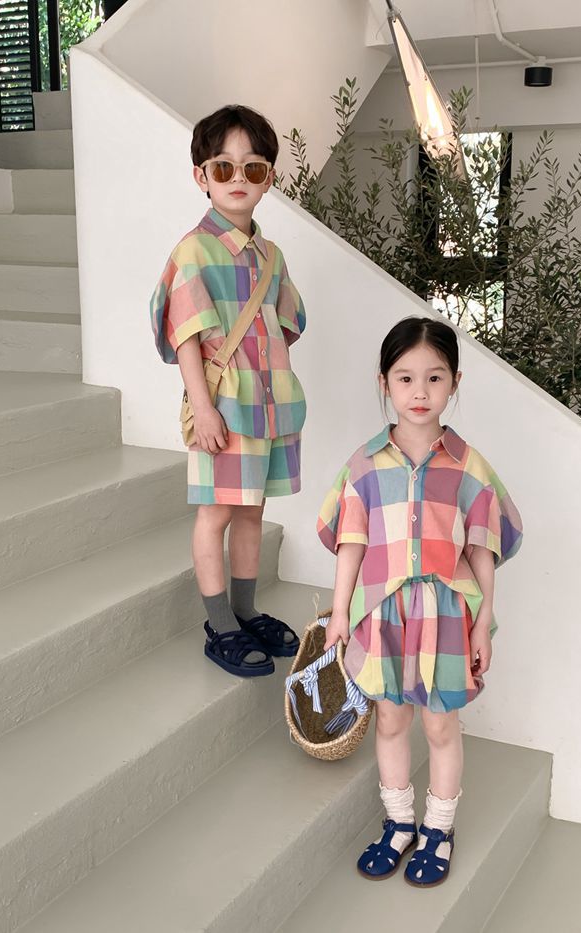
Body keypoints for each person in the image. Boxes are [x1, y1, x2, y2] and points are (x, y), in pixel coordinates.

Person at [317, 316, 522, 886]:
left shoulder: (469, 466)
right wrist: (340, 613)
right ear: (384, 382)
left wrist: (483, 621)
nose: (420, 392)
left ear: (454, 382)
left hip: (446, 617)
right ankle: (399, 823)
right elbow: (351, 543)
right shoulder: (363, 464)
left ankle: (439, 829)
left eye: (435, 378)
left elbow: (482, 548)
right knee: (389, 720)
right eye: (405, 378)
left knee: (440, 726)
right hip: (382, 615)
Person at [151, 105, 306, 678]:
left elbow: (284, 328)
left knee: (251, 511)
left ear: (268, 179)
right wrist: (204, 408)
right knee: (216, 512)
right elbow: (186, 337)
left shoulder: (271, 256)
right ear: (202, 176)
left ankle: (246, 610)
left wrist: (280, 395)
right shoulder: (194, 250)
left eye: (253, 168)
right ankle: (219, 623)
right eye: (224, 167)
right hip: (223, 405)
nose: (238, 178)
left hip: (266, 404)